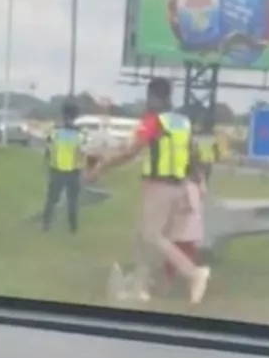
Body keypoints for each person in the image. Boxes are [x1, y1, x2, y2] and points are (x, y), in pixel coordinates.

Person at [85, 77, 211, 304]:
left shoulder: (153, 121)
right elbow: (193, 153)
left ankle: (193, 273)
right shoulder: (182, 121)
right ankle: (140, 288)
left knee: (152, 236)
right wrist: (199, 180)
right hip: (179, 185)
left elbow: (130, 152)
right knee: (143, 238)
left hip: (158, 185)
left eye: (149, 96)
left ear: (154, 96)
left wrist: (101, 168)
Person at [42, 101, 83, 233]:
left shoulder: (55, 132)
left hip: (56, 170)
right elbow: (82, 152)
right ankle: (73, 228)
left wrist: (47, 162)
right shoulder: (79, 134)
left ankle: (46, 225)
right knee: (73, 201)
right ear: (76, 116)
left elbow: (48, 149)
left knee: (51, 200)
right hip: (73, 171)